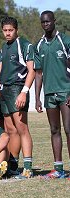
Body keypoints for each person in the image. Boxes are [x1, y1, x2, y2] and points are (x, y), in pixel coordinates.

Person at [0, 16, 35, 179]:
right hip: (5, 90)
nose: (8, 33)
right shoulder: (4, 46)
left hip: (17, 88)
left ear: (16, 30)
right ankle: (14, 165)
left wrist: (24, 91)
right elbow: (0, 68)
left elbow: (32, 70)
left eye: (11, 30)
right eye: (5, 31)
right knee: (10, 130)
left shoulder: (24, 45)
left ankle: (28, 168)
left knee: (22, 128)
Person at [35, 10, 70, 179]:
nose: (46, 24)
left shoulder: (65, 41)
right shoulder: (39, 45)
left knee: (69, 129)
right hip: (49, 94)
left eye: (48, 21)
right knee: (54, 130)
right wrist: (36, 98)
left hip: (66, 92)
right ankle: (58, 169)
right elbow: (38, 73)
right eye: (43, 22)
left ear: (54, 21)